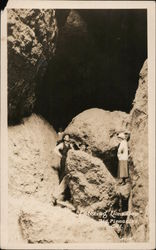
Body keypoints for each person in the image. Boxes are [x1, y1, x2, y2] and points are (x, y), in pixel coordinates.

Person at [53, 134, 74, 203]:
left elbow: (73, 152)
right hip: (64, 160)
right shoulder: (62, 144)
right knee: (63, 174)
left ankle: (66, 195)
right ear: (64, 138)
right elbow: (55, 150)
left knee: (68, 175)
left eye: (68, 137)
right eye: (66, 137)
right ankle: (58, 194)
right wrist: (61, 156)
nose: (67, 138)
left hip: (69, 161)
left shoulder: (70, 145)